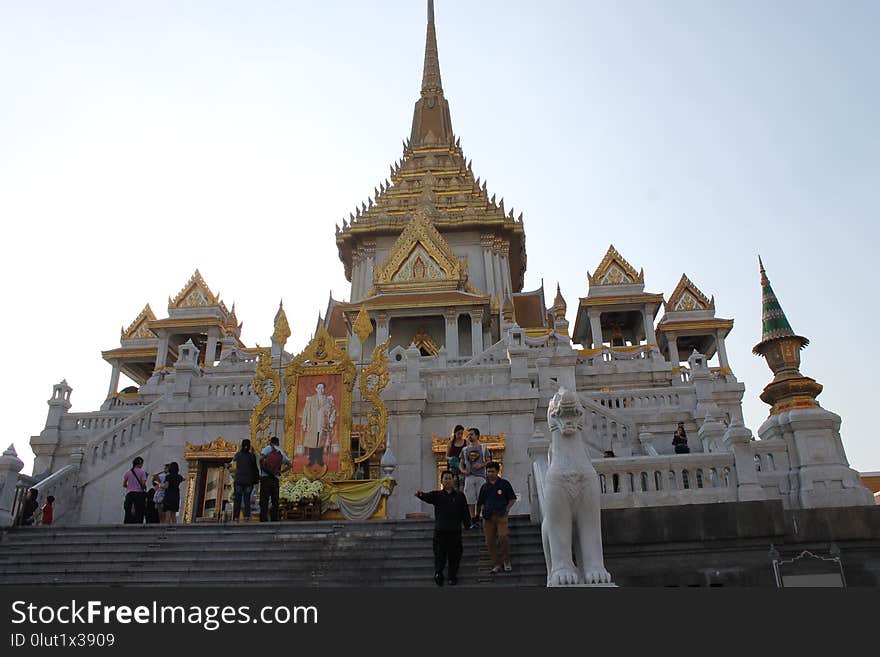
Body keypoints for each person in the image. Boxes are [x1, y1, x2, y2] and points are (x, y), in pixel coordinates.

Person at [416, 470, 471, 587]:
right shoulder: (437, 495)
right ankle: (438, 574)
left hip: (455, 531)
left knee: (455, 556)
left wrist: (467, 525)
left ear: (453, 480)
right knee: (440, 554)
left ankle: (452, 576)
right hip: (441, 531)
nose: (447, 481)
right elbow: (426, 497)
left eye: (449, 478)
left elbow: (465, 511)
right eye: (445, 478)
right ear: (441, 481)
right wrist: (420, 494)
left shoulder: (460, 496)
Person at [476, 462, 516, 574]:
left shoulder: (504, 484)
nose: (490, 474)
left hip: (501, 515)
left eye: (492, 471)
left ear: (497, 471)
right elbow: (480, 502)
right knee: (489, 541)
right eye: (488, 471)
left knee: (503, 537)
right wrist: (477, 515)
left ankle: (506, 560)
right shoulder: (484, 487)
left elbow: (512, 499)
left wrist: (507, 509)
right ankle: (496, 563)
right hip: (488, 516)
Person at [459, 427, 491, 528]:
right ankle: (472, 519)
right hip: (469, 476)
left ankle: (478, 516)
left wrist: (481, 465)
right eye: (468, 435)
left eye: (471, 434)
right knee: (470, 499)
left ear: (477, 435)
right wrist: (463, 471)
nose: (469, 436)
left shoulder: (483, 448)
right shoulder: (465, 449)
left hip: (481, 476)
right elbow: (461, 463)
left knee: (481, 498)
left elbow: (489, 461)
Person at [301, 382, 336, 467]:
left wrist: (331, 422)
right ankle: (312, 460)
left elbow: (333, 412)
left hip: (323, 423)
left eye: (322, 388)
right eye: (319, 388)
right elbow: (306, 412)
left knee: (320, 441)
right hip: (312, 423)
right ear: (316, 389)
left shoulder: (328, 400)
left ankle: (319, 460)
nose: (320, 389)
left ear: (324, 389)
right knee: (312, 442)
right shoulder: (310, 400)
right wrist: (304, 423)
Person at [259, 436, 290, 522]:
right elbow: (289, 465)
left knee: (264, 499)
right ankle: (274, 518)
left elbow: (261, 458)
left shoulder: (268, 448)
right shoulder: (280, 452)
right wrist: (281, 472)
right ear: (278, 443)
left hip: (265, 477)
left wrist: (263, 468)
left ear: (270, 442)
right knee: (274, 500)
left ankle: (263, 518)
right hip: (275, 479)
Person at [230, 438, 259, 522]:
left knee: (237, 499)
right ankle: (246, 516)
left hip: (239, 479)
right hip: (248, 481)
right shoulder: (251, 456)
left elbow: (232, 465)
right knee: (247, 499)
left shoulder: (238, 455)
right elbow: (255, 468)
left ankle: (236, 517)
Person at [122, 457, 148, 524]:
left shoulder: (128, 472)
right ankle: (138, 524)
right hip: (139, 494)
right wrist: (144, 487)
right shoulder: (142, 472)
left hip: (130, 494)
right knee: (139, 511)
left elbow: (124, 484)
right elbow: (143, 484)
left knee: (128, 510)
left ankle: (127, 523)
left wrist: (130, 487)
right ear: (140, 464)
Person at [445, 425, 466, 491]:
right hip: (454, 466)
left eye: (461, 434)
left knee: (462, 485)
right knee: (454, 485)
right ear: (455, 433)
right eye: (458, 433)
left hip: (462, 466)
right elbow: (446, 456)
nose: (460, 435)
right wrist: (451, 458)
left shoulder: (466, 442)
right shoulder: (450, 443)